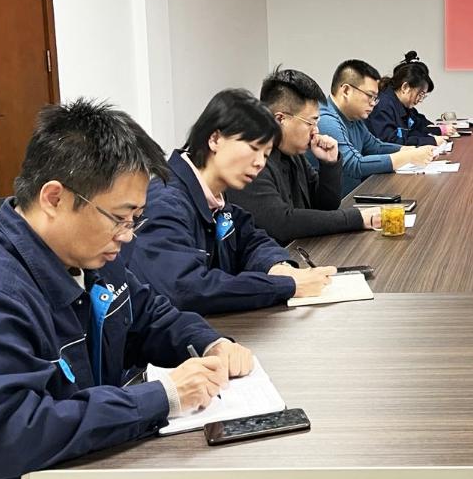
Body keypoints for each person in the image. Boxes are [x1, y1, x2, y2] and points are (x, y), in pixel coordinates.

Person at [0, 100, 255, 479]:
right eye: (119, 217)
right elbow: (5, 436)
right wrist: (163, 397)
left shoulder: (86, 251)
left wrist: (208, 342)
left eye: (135, 218)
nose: (127, 235)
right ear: (54, 198)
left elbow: (145, 310)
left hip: (81, 461)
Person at [126, 89, 336, 315]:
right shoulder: (165, 202)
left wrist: (280, 268)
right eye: (253, 148)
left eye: (266, 154)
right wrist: (286, 285)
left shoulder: (216, 198)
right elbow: (186, 289)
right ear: (215, 139)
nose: (260, 163)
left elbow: (251, 240)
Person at [231, 67, 380, 245]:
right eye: (310, 122)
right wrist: (357, 218)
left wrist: (329, 164)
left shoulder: (293, 152)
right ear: (280, 119)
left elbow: (325, 206)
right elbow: (281, 223)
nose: (315, 130)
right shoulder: (250, 158)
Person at [319, 59, 436, 196]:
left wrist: (411, 150)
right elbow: (354, 164)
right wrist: (408, 157)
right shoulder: (326, 119)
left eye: (375, 98)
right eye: (370, 96)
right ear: (346, 90)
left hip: (354, 197)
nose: (373, 103)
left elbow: (376, 146)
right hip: (337, 204)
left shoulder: (354, 117)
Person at [368, 51, 447, 148]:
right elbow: (389, 141)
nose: (420, 100)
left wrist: (437, 132)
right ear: (405, 87)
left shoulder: (403, 106)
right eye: (420, 94)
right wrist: (430, 141)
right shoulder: (383, 105)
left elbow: (414, 130)